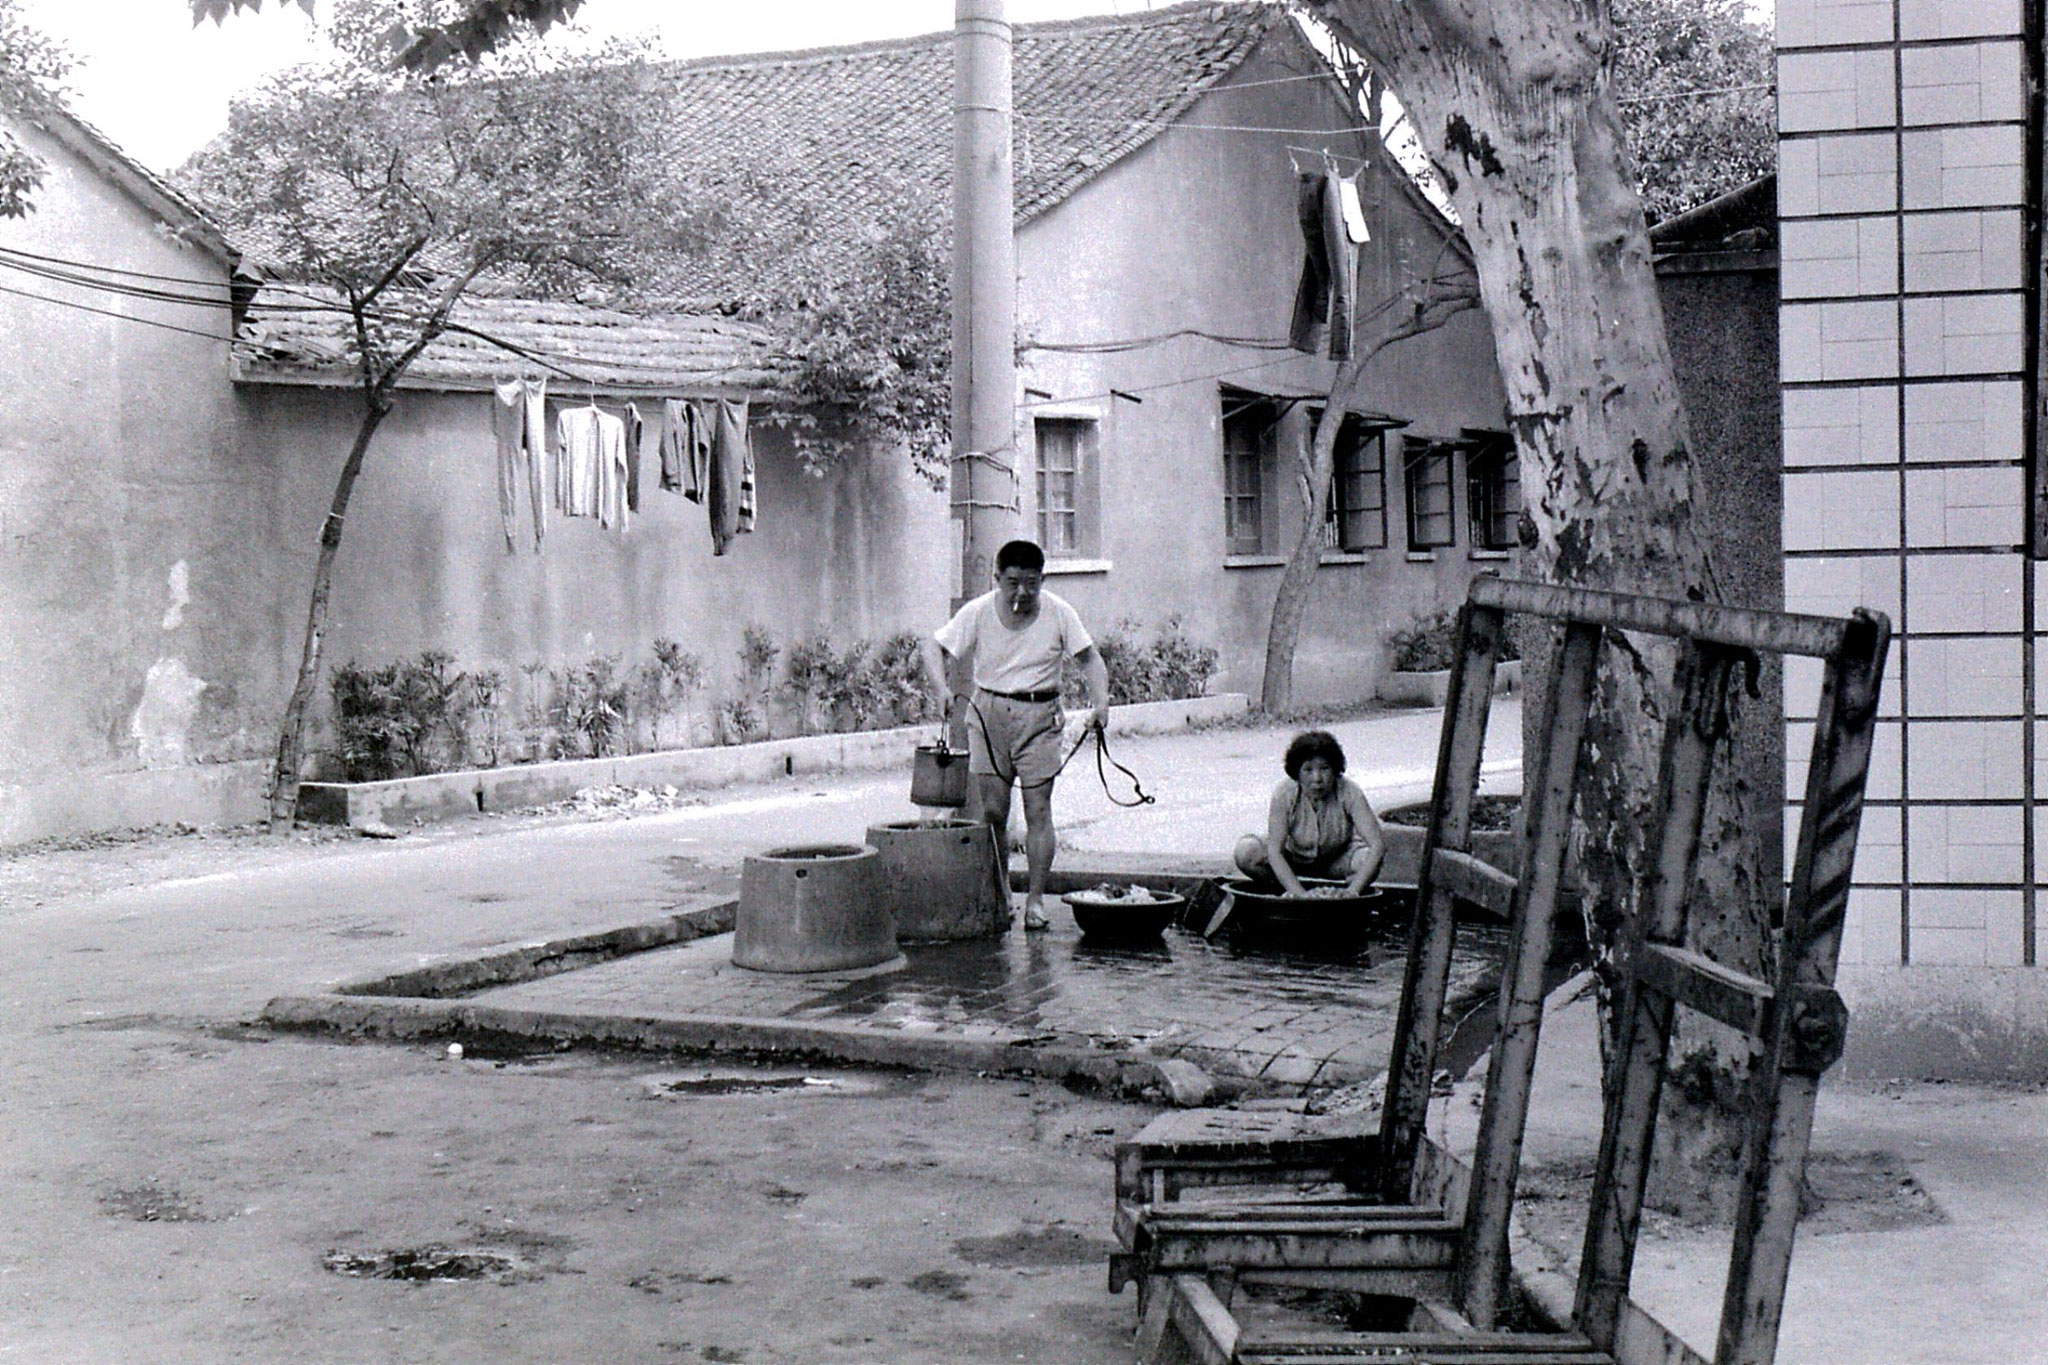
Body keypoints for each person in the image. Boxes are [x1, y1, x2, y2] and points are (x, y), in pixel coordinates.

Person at [924, 539, 1110, 931]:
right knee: (992, 811)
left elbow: (1090, 659)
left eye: (1031, 583)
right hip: (988, 712)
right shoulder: (977, 612)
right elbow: (933, 645)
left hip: (1039, 715)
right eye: (1012, 583)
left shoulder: (1060, 613)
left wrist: (1101, 704)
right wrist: (941, 690)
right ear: (998, 579)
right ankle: (1003, 892)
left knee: (1038, 809)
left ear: (1042, 580)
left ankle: (1037, 902)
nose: (1021, 593)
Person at [1234, 729, 1386, 898]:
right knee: (1246, 852)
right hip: (1293, 859)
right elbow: (1275, 851)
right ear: (1297, 774)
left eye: (1324, 769)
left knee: (1367, 860)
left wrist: (1352, 892)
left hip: (1337, 861)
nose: (1317, 778)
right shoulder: (1284, 794)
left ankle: (1338, 895)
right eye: (1308, 770)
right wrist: (1300, 895)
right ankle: (1285, 889)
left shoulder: (1350, 792)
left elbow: (1377, 845)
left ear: (1335, 770)